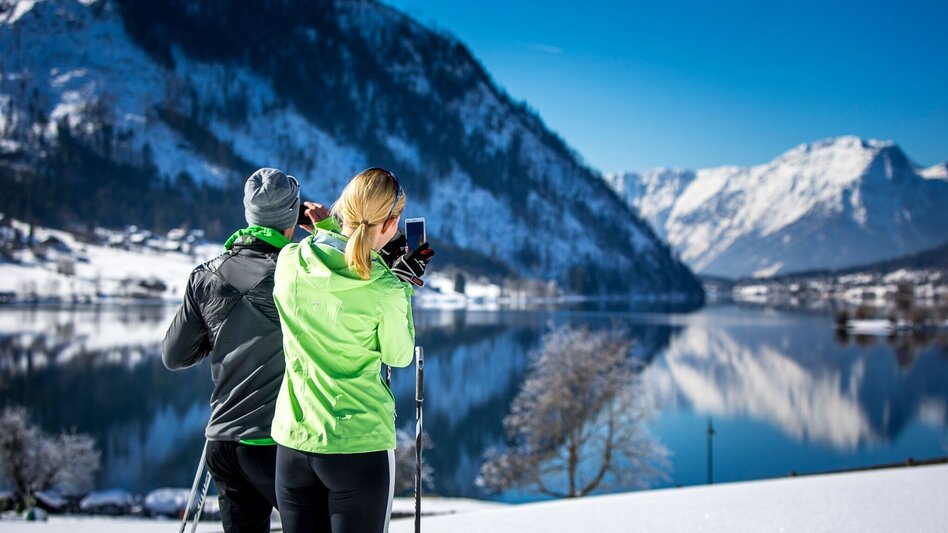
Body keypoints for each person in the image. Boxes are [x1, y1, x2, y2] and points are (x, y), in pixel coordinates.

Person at [162, 167, 332, 533]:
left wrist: (219, 328)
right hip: (278, 444)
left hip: (223, 443)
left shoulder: (205, 275)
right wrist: (329, 233)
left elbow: (173, 355)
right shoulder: (299, 274)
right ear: (294, 214)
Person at [271, 167, 434, 533]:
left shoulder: (290, 264)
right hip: (357, 446)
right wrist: (402, 284)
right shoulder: (385, 288)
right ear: (392, 226)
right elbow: (398, 355)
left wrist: (329, 230)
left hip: (294, 443)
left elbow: (331, 253)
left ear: (342, 208)